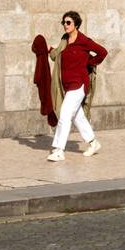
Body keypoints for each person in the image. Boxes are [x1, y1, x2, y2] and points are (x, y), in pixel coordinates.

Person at [47, 10, 108, 161]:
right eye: (64, 22)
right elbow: (57, 55)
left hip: (79, 84)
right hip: (67, 85)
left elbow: (102, 52)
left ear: (76, 24)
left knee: (65, 114)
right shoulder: (64, 40)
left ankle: (59, 149)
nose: (65, 25)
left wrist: (89, 63)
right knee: (77, 117)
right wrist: (48, 50)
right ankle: (93, 143)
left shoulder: (84, 41)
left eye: (68, 22)